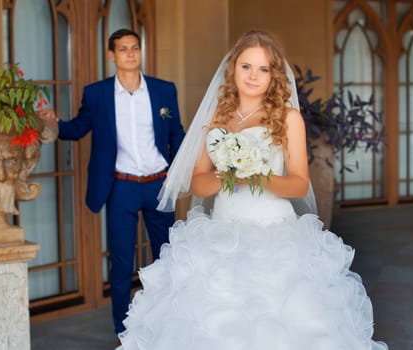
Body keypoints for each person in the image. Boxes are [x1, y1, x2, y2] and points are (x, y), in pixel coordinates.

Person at [117, 30, 387, 350]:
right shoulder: (218, 117)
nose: (253, 76)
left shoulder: (288, 119)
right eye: (246, 66)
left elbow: (299, 182)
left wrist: (256, 175)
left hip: (275, 235)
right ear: (233, 68)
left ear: (274, 75)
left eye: (263, 69)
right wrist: (229, 173)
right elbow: (200, 181)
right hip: (220, 232)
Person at [37, 28, 185, 342]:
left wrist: (177, 175)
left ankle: (167, 324)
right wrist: (53, 123)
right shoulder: (97, 94)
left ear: (140, 51)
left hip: (159, 185)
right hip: (121, 188)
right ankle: (124, 331)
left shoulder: (163, 91)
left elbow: (177, 135)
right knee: (121, 265)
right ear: (111, 55)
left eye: (134, 48)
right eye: (123, 49)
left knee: (167, 259)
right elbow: (78, 129)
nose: (130, 54)